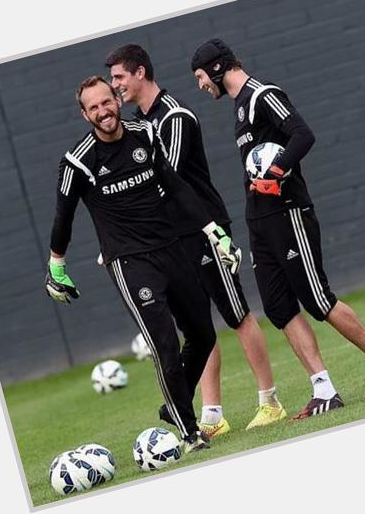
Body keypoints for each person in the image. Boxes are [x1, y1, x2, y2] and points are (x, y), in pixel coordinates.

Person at [190, 39, 365, 419]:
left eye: (201, 76)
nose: (201, 85)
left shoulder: (262, 94)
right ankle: (324, 390)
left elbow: (302, 134)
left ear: (218, 68)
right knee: (278, 307)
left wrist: (276, 171)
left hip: (288, 212)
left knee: (318, 299)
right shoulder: (240, 107)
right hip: (260, 220)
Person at [45, 75, 241, 451]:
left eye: (107, 101)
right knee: (165, 344)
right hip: (130, 263)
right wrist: (57, 266)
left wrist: (214, 231)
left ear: (116, 100)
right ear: (85, 114)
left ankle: (175, 402)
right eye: (94, 107)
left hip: (172, 248)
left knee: (204, 334)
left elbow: (177, 186)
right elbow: (62, 217)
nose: (104, 111)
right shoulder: (78, 161)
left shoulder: (145, 134)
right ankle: (189, 432)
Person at [105, 44, 286, 437]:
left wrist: (126, 232)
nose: (114, 85)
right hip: (172, 240)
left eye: (119, 77)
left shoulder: (176, 117)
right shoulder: (138, 123)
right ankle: (212, 416)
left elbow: (160, 183)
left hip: (204, 232)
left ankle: (270, 401)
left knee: (236, 314)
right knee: (197, 328)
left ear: (139, 73)